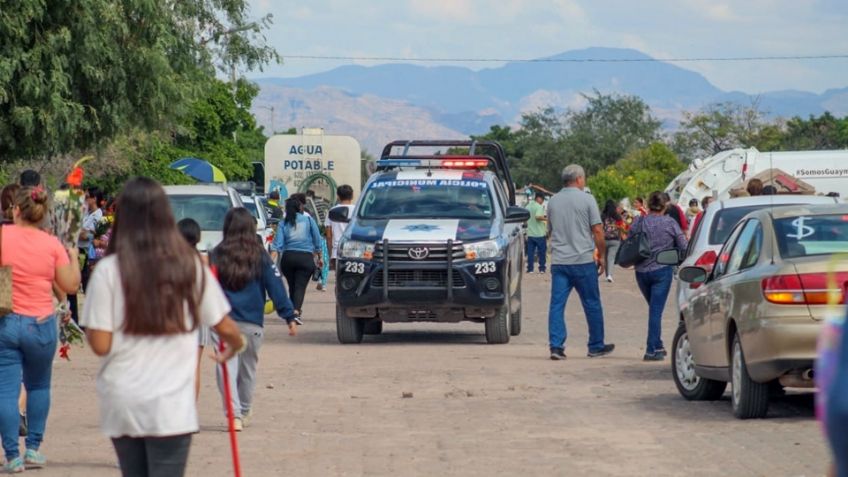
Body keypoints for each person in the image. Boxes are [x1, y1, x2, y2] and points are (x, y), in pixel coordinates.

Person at [81, 177, 244, 477]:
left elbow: (100, 345)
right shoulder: (190, 266)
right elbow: (225, 327)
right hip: (170, 406)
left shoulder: (108, 271)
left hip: (123, 400)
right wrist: (236, 345)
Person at [0, 186, 81, 472]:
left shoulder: (3, 236)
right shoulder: (51, 244)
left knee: (6, 391)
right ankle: (33, 449)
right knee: (38, 386)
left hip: (8, 323)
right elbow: (70, 286)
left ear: (16, 210)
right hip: (42, 324)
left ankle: (12, 456)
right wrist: (71, 252)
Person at [210, 208, 297, 431]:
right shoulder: (260, 255)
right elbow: (276, 286)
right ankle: (244, 410)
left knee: (226, 370)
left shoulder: (216, 254)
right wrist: (288, 315)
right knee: (248, 370)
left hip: (223, 323)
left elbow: (208, 288)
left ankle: (234, 415)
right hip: (252, 323)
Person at [546, 164, 615, 360]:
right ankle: (595, 345)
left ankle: (556, 347)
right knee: (592, 303)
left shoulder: (553, 202)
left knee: (557, 305)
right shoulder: (587, 199)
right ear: (579, 180)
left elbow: (550, 231)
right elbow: (598, 230)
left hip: (560, 262)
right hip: (583, 260)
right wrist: (601, 255)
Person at [630, 191, 688, 361]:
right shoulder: (669, 223)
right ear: (665, 206)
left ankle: (658, 345)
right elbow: (683, 246)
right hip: (662, 271)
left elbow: (630, 239)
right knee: (656, 311)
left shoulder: (639, 221)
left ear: (648, 205)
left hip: (641, 271)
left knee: (655, 309)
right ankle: (650, 349)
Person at [271, 198, 323, 324]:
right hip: (305, 258)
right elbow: (317, 239)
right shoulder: (309, 220)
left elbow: (277, 245)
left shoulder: (283, 223)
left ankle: (292, 312)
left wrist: (270, 263)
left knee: (292, 286)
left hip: (288, 258)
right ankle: (296, 312)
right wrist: (320, 256)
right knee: (300, 286)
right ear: (300, 208)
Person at [177, 218, 210, 402]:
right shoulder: (203, 261)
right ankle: (190, 412)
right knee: (194, 366)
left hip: (175, 318)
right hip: (198, 318)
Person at [325, 184, 355, 270]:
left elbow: (329, 236)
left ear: (338, 196)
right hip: (355, 251)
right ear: (352, 196)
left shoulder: (331, 211)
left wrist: (330, 254)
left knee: (338, 278)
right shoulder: (357, 210)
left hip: (337, 251)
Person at [601, 199, 625, 283]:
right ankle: (609, 275)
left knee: (606, 257)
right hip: (615, 240)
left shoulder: (602, 216)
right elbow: (622, 227)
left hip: (604, 239)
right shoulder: (618, 216)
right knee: (611, 257)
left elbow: (600, 227)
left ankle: (608, 275)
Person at [525, 192, 547, 274]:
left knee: (530, 252)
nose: (542, 202)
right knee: (541, 252)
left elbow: (525, 217)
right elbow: (538, 217)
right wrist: (546, 219)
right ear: (539, 198)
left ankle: (530, 269)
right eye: (542, 200)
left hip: (530, 233)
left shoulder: (528, 206)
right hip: (540, 234)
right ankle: (542, 269)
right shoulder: (539, 206)